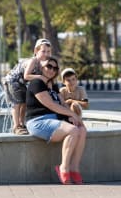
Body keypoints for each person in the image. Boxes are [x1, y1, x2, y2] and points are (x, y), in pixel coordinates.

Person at [26, 57, 87, 185]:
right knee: (73, 130)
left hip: (54, 119)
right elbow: (51, 105)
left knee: (82, 129)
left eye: (55, 68)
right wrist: (72, 115)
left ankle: (74, 168)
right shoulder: (37, 83)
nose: (52, 70)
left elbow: (62, 104)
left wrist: (71, 117)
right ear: (41, 68)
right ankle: (64, 167)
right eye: (49, 66)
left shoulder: (53, 85)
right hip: (38, 121)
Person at [4, 38, 52, 135]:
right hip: (13, 80)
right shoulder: (33, 61)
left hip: (22, 83)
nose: (46, 54)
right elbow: (26, 75)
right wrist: (40, 77)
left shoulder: (42, 63)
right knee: (17, 102)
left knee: (25, 103)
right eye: (43, 51)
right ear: (36, 51)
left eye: (48, 51)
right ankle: (16, 126)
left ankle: (22, 124)